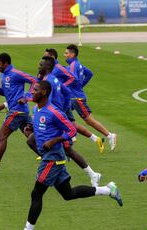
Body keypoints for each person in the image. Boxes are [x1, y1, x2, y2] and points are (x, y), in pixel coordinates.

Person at [23, 81, 122, 230]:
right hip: (51, 158)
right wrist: (30, 128)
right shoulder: (36, 109)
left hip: (53, 158)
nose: (32, 92)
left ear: (43, 92)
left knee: (36, 194)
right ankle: (109, 190)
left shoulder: (54, 112)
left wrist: (55, 140)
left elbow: (71, 130)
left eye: (35, 90)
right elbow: (42, 127)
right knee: (68, 194)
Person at [27, 56, 102, 187]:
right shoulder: (52, 79)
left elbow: (47, 101)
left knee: (68, 150)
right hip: (54, 116)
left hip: (53, 119)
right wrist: (64, 108)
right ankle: (52, 165)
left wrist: (57, 112)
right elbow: (67, 93)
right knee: (32, 140)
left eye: (41, 65)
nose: (38, 67)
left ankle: (92, 174)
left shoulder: (47, 82)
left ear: (47, 67)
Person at [0, 53, 37, 175]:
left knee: (2, 136)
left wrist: (26, 97)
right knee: (31, 136)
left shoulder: (16, 73)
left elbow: (34, 81)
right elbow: (10, 93)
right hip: (21, 111)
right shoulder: (4, 74)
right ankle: (55, 155)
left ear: (6, 63)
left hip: (17, 110)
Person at [43, 48, 105, 153]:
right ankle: (96, 139)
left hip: (60, 102)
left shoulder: (59, 68)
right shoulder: (48, 70)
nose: (43, 59)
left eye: (45, 57)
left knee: (53, 123)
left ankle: (57, 148)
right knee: (72, 125)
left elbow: (72, 79)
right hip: (56, 102)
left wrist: (61, 88)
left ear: (52, 58)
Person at [64, 44, 117, 151]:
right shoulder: (77, 64)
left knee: (89, 121)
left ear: (72, 54)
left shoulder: (73, 65)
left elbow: (73, 79)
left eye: (66, 53)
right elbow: (89, 74)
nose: (64, 55)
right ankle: (70, 136)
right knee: (62, 115)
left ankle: (110, 135)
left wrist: (64, 86)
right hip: (72, 98)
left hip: (77, 99)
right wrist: (80, 86)